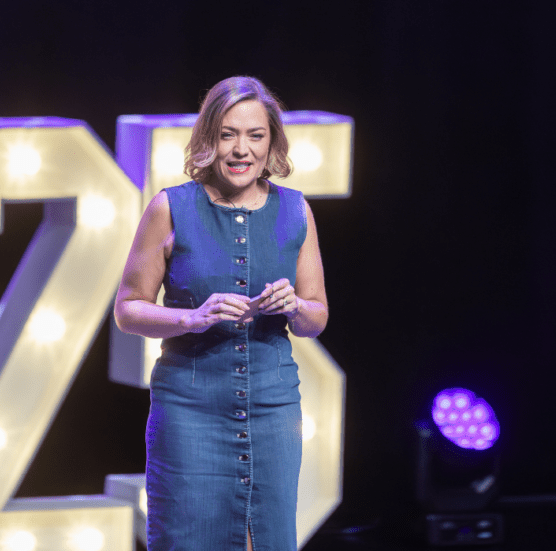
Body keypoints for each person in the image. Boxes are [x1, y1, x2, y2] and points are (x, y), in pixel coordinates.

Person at [114, 75, 328, 551]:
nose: (241, 149)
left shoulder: (296, 211)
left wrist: (294, 306)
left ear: (271, 141)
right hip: (190, 411)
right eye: (228, 134)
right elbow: (128, 310)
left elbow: (317, 318)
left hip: (274, 410)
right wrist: (191, 318)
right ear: (208, 138)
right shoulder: (170, 207)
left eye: (255, 135)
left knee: (266, 538)